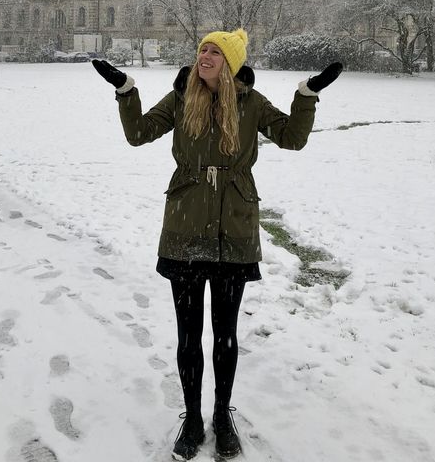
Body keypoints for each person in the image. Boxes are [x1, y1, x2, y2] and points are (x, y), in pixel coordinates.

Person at [92, 29, 342, 460]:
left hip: (235, 229)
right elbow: (138, 133)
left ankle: (222, 415)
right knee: (189, 336)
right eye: (202, 49)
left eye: (214, 52)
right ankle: (191, 417)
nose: (204, 56)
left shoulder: (251, 103)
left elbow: (292, 138)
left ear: (229, 63)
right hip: (185, 227)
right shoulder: (181, 97)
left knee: (225, 334)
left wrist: (307, 94)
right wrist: (125, 90)